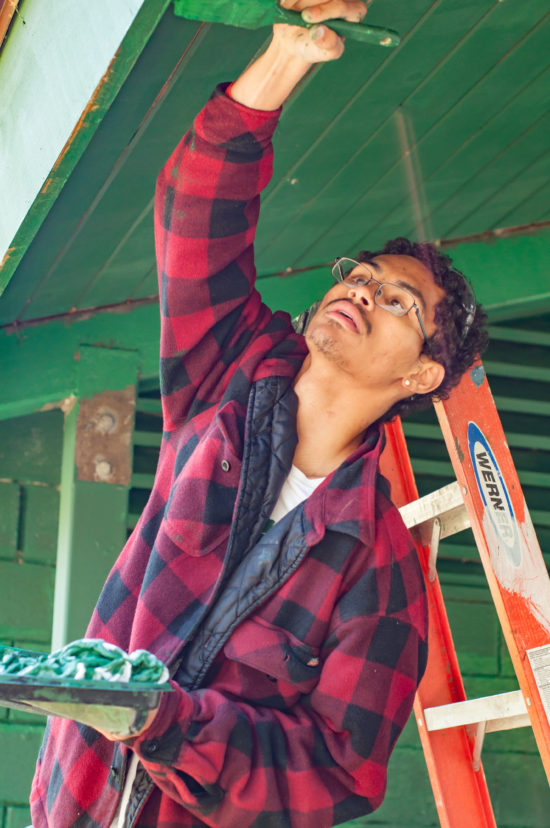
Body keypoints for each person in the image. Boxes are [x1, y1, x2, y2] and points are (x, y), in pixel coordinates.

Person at [30, 1, 488, 826]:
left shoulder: (379, 571)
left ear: (424, 373)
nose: (360, 291)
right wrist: (289, 55)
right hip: (71, 807)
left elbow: (338, 773)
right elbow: (194, 214)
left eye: (397, 301)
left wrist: (168, 724)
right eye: (360, 274)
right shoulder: (226, 377)